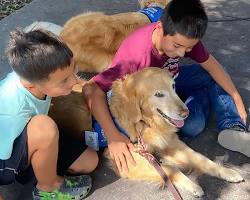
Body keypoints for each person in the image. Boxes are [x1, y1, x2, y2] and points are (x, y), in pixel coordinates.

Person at [83, 0, 249, 174]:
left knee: (212, 75)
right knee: (193, 126)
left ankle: (232, 126)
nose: (182, 53)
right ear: (160, 28)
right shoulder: (134, 56)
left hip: (172, 84)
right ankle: (204, 95)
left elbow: (213, 66)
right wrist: (114, 137)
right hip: (158, 99)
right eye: (177, 46)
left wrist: (236, 97)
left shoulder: (184, 36)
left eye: (189, 48)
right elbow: (91, 89)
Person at [0, 29, 98, 199]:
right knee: (44, 128)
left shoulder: (37, 76)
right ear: (32, 86)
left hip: (18, 140)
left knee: (89, 162)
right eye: (64, 81)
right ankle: (48, 188)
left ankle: (40, 164)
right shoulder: (11, 110)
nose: (75, 81)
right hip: (4, 160)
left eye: (73, 71)